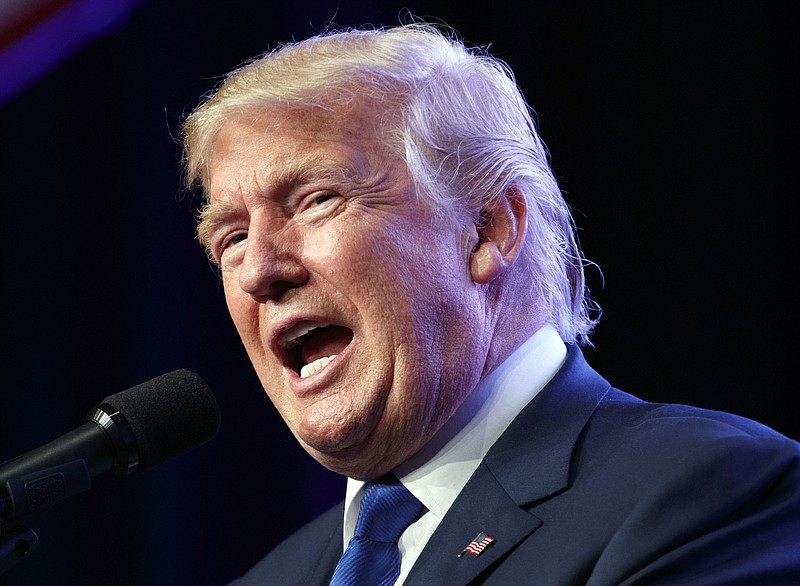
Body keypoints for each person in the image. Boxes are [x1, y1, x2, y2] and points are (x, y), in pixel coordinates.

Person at [181, 22, 800, 585]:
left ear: (487, 229)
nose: (260, 269)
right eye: (230, 239)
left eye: (317, 199)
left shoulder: (709, 492)